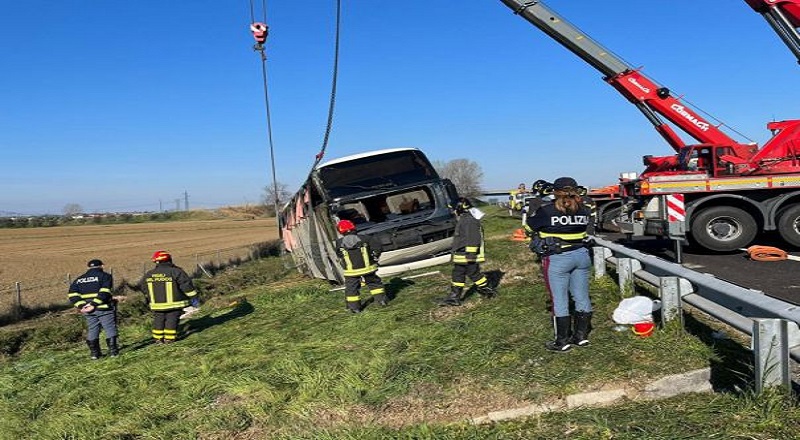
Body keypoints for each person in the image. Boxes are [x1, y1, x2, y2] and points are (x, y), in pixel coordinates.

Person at [527, 177, 595, 352]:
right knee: (581, 296)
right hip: (582, 255)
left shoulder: (546, 210)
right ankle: (581, 337)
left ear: (554, 192)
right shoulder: (584, 210)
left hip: (558, 257)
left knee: (559, 300)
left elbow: (530, 227)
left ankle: (562, 341)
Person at [439, 197, 496, 306]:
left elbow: (473, 239)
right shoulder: (465, 219)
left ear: (459, 207)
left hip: (467, 254)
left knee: (473, 273)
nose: (453, 211)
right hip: (462, 253)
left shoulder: (469, 221)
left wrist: (470, 254)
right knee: (458, 274)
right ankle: (454, 297)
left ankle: (487, 289)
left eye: (454, 208)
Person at [141, 250, 199, 343]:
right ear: (169, 260)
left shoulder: (149, 274)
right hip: (174, 304)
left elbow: (144, 288)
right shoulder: (176, 271)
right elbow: (186, 286)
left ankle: (158, 339)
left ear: (156, 262)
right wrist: (194, 297)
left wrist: (149, 299)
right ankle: (169, 339)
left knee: (158, 319)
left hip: (157, 305)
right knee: (171, 319)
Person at [67, 259, 118, 359]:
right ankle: (113, 352)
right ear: (102, 266)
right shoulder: (105, 276)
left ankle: (95, 354)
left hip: (88, 310)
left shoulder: (79, 279)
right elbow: (105, 291)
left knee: (92, 329)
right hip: (103, 308)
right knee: (109, 328)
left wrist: (82, 306)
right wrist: (94, 304)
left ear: (88, 268)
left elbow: (72, 294)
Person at [335, 219, 388, 313]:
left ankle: (354, 308)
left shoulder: (339, 243)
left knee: (351, 289)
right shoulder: (366, 238)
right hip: (368, 268)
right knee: (374, 283)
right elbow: (378, 248)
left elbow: (339, 255)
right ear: (353, 227)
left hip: (351, 272)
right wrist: (374, 257)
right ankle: (381, 301)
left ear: (340, 231)